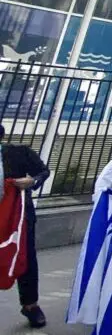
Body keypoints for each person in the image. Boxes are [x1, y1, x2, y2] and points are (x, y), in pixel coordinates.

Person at [1, 124, 50, 328]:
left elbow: (43, 171)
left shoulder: (19, 152)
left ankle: (30, 305)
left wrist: (32, 180)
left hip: (18, 217)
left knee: (25, 257)